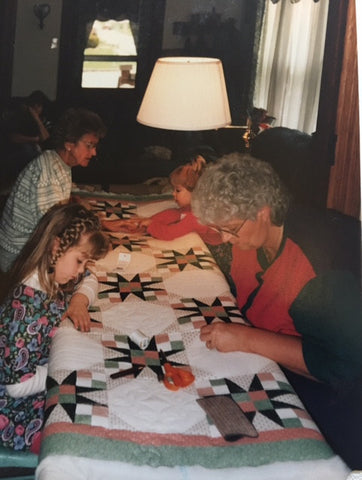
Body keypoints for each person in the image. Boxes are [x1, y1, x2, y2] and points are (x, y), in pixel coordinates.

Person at [191, 153, 362, 469]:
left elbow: (345, 369)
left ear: (263, 212)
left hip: (334, 400)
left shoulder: (317, 271)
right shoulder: (252, 239)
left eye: (229, 228)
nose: (225, 239)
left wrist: (247, 339)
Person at [0, 203, 109, 454]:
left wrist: (79, 300)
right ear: (56, 246)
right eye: (79, 261)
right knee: (84, 436)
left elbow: (91, 279)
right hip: (18, 412)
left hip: (38, 379)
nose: (81, 270)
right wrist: (63, 363)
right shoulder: (26, 311)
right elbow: (16, 387)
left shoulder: (51, 273)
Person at [0, 107, 106, 273]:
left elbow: (60, 212)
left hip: (31, 247)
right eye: (89, 145)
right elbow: (56, 231)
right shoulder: (47, 172)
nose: (93, 152)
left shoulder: (58, 162)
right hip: (19, 257)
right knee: (91, 265)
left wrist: (105, 224)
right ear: (69, 144)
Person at [102, 155, 221, 245]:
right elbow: (174, 214)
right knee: (173, 212)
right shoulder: (192, 207)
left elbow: (168, 234)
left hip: (218, 251)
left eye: (177, 190)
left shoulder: (195, 218)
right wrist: (148, 220)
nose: (173, 194)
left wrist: (151, 225)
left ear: (195, 193)